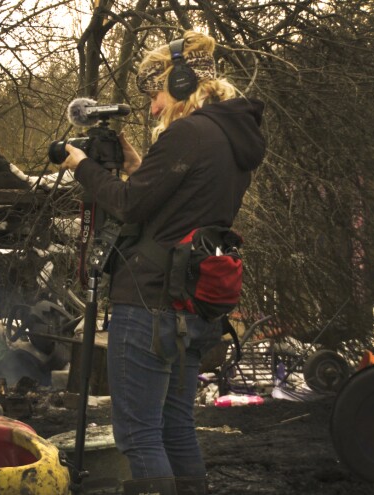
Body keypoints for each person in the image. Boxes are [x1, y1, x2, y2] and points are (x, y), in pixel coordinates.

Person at [60, 31, 266, 495]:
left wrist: (80, 165)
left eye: (155, 95)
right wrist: (140, 165)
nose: (153, 109)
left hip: (151, 302)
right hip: (193, 304)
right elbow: (182, 202)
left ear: (180, 84)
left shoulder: (188, 133)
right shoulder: (231, 138)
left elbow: (128, 206)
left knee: (138, 435)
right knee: (174, 428)